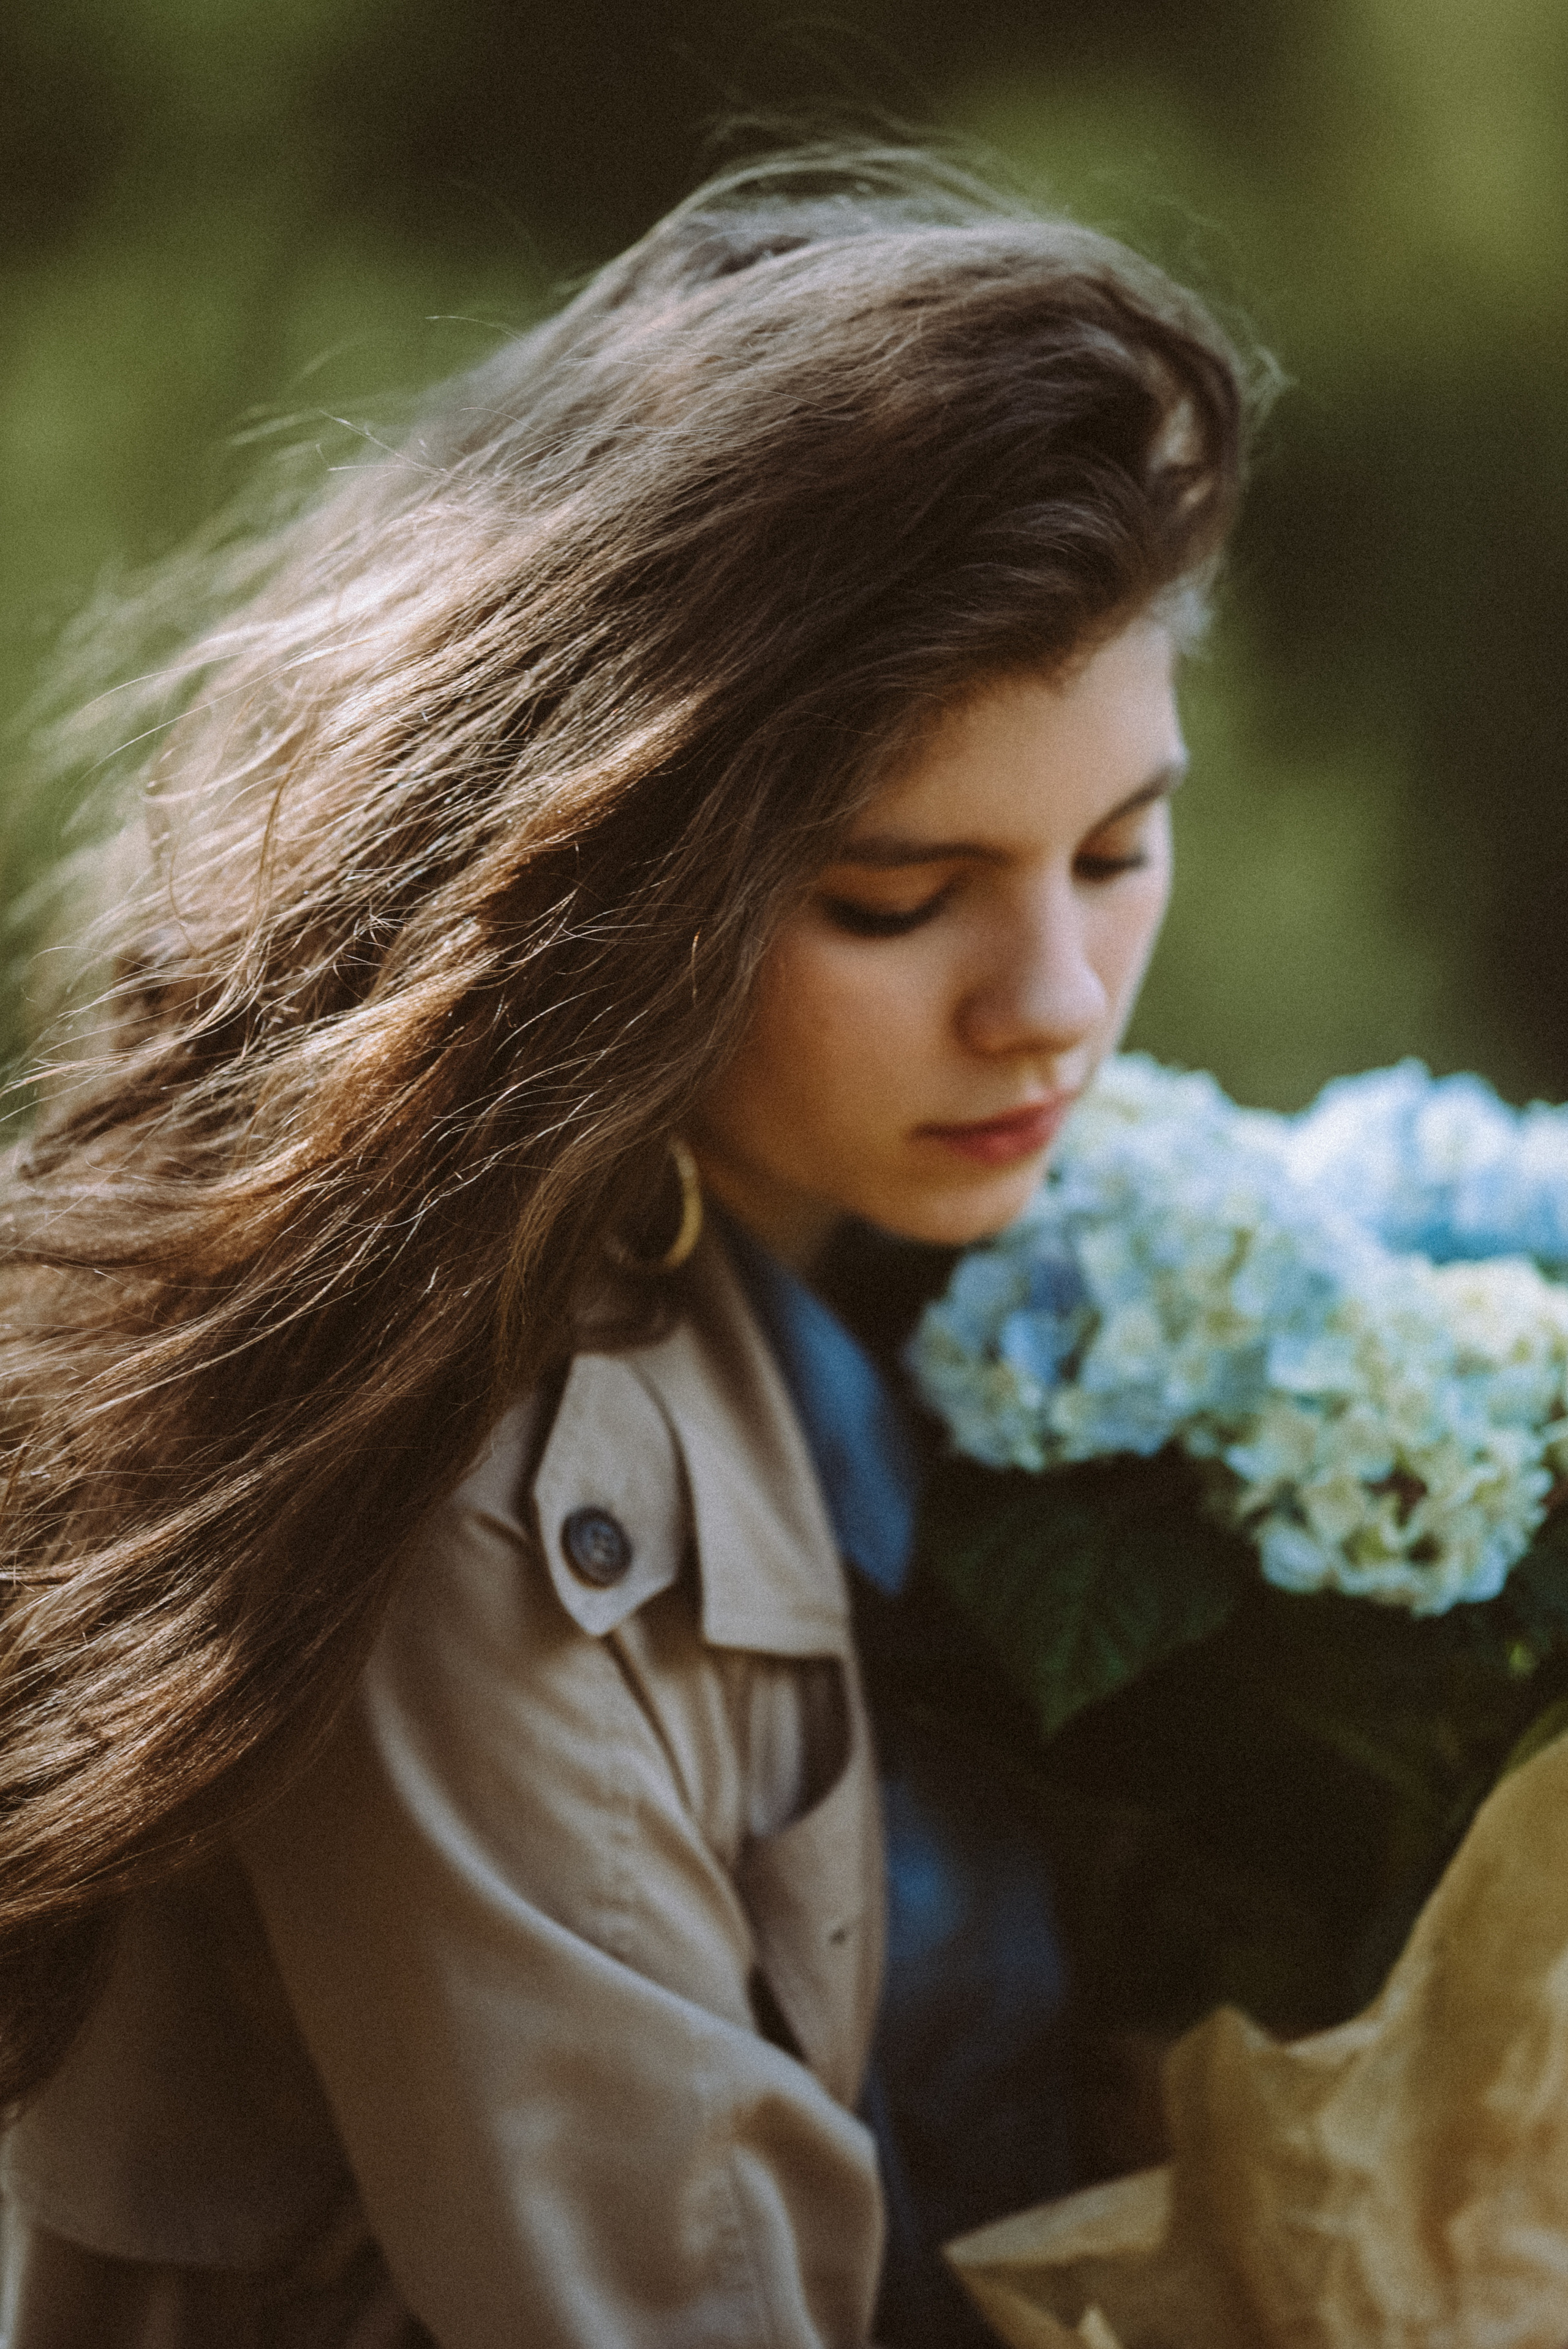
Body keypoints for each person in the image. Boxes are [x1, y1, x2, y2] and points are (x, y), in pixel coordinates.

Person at [0, 146, 1253, 2347]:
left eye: (1123, 849)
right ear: (618, 875)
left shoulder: (960, 1250)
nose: (1052, 995)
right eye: (895, 893)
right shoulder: (485, 1471)